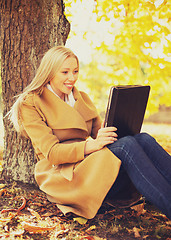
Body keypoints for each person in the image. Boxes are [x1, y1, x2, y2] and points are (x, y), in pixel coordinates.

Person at [9, 46, 171, 220]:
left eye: (75, 71)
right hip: (65, 176)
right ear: (50, 72)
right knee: (127, 145)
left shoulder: (82, 98)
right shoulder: (31, 102)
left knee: (143, 139)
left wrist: (115, 128)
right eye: (65, 72)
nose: (72, 78)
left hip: (90, 166)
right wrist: (92, 144)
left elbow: (99, 133)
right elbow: (52, 154)